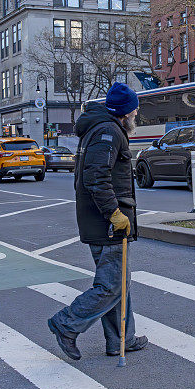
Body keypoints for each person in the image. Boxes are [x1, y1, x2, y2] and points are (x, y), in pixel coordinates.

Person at [48, 83, 148, 360]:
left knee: (119, 282)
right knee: (112, 285)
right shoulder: (108, 132)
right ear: (124, 112)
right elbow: (96, 177)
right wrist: (115, 214)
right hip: (108, 224)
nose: (137, 113)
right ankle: (66, 324)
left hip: (104, 221)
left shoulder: (102, 128)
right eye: (134, 109)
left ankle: (120, 340)